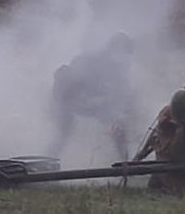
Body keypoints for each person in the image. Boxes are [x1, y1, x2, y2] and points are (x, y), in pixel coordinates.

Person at [49, 32, 136, 161]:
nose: (125, 58)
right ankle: (47, 161)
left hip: (98, 106)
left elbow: (122, 91)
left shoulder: (118, 68)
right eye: (123, 52)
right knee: (63, 133)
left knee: (118, 126)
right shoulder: (88, 60)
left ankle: (125, 165)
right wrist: (84, 99)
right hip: (71, 102)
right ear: (114, 48)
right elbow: (67, 83)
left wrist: (118, 105)